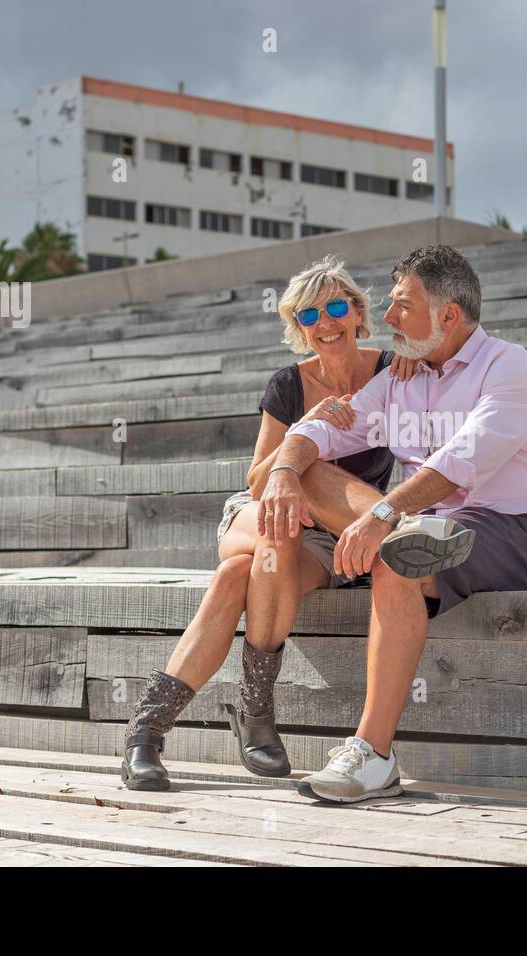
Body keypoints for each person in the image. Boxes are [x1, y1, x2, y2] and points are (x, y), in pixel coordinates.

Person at [259, 244, 527, 803]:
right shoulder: (401, 379)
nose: (389, 319)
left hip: (510, 530)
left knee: (403, 551)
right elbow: (326, 429)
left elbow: (460, 462)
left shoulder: (509, 365)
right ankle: (405, 540)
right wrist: (281, 469)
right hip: (424, 528)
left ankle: (372, 755)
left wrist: (380, 516)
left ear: (448, 314)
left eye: (402, 305)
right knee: (315, 475)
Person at [119, 254, 417, 790]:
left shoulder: (389, 373)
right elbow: (258, 479)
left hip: (329, 538)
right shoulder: (289, 385)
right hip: (261, 513)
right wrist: (304, 429)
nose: (324, 323)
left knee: (239, 576)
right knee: (278, 526)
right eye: (308, 316)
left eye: (334, 307)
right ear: (298, 327)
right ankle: (252, 714)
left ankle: (148, 733)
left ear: (356, 312)